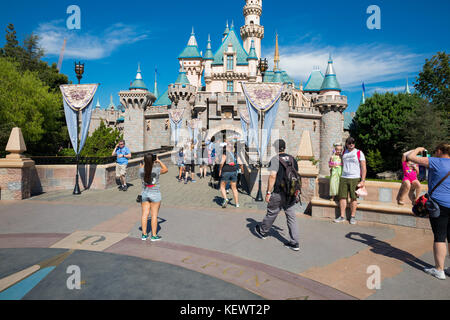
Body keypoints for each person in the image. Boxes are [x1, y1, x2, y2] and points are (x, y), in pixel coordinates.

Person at [407, 143, 450, 280]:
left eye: (435, 151)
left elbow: (410, 157)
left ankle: (439, 270)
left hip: (439, 205)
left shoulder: (436, 162)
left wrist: (419, 149)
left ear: (439, 151)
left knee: (439, 237)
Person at [255, 139, 300, 251]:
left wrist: (268, 192)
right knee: (291, 216)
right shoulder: (293, 159)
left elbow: (272, 176)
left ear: (275, 148)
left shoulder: (275, 159)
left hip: (279, 192)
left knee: (272, 213)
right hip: (291, 193)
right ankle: (294, 242)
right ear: (284, 147)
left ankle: (262, 231)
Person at [334, 137, 367, 225]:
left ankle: (352, 217)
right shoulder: (344, 152)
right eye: (349, 143)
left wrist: (363, 180)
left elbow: (363, 167)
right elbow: (335, 153)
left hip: (355, 178)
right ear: (346, 144)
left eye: (353, 142)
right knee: (342, 197)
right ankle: (342, 216)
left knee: (353, 198)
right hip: (344, 177)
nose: (351, 144)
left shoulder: (359, 152)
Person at [139, 153, 168, 241]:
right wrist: (159, 161)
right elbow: (166, 170)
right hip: (155, 194)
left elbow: (143, 167)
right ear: (153, 160)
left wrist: (144, 163)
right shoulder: (157, 170)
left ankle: (144, 235)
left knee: (144, 214)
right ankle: (154, 235)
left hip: (145, 193)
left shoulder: (141, 170)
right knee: (154, 215)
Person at [218, 142, 243, 208]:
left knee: (222, 186)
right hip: (234, 172)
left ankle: (226, 199)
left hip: (226, 171)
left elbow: (222, 163)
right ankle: (237, 204)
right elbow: (240, 163)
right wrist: (242, 170)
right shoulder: (235, 154)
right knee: (234, 188)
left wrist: (220, 170)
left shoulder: (225, 153)